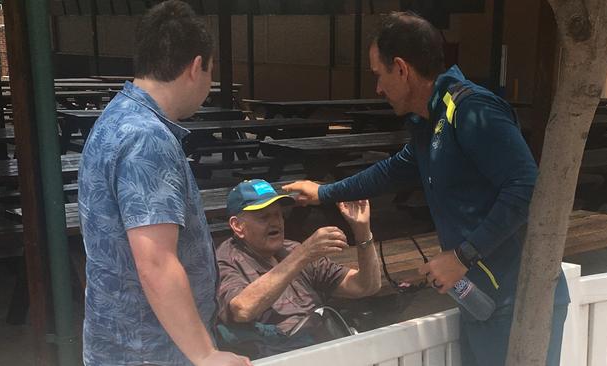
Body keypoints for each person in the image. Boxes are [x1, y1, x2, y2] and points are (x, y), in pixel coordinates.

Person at [282, 11, 570, 366]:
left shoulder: (470, 109)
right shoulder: (430, 120)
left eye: (379, 75)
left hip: (520, 299)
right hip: (482, 297)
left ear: (401, 69)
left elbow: (526, 186)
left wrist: (462, 256)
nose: (378, 88)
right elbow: (393, 171)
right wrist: (325, 192)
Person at [78, 1, 251, 365]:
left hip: (121, 338)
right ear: (196, 67)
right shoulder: (147, 138)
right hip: (151, 349)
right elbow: (155, 261)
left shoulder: (116, 115)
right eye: (211, 72)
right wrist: (205, 354)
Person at [215, 179, 381, 357]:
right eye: (264, 217)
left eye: (278, 215)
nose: (275, 223)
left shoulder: (291, 249)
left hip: (323, 349)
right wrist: (303, 255)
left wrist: (362, 232)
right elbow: (242, 309)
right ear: (238, 226)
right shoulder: (225, 260)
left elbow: (365, 286)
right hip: (276, 357)